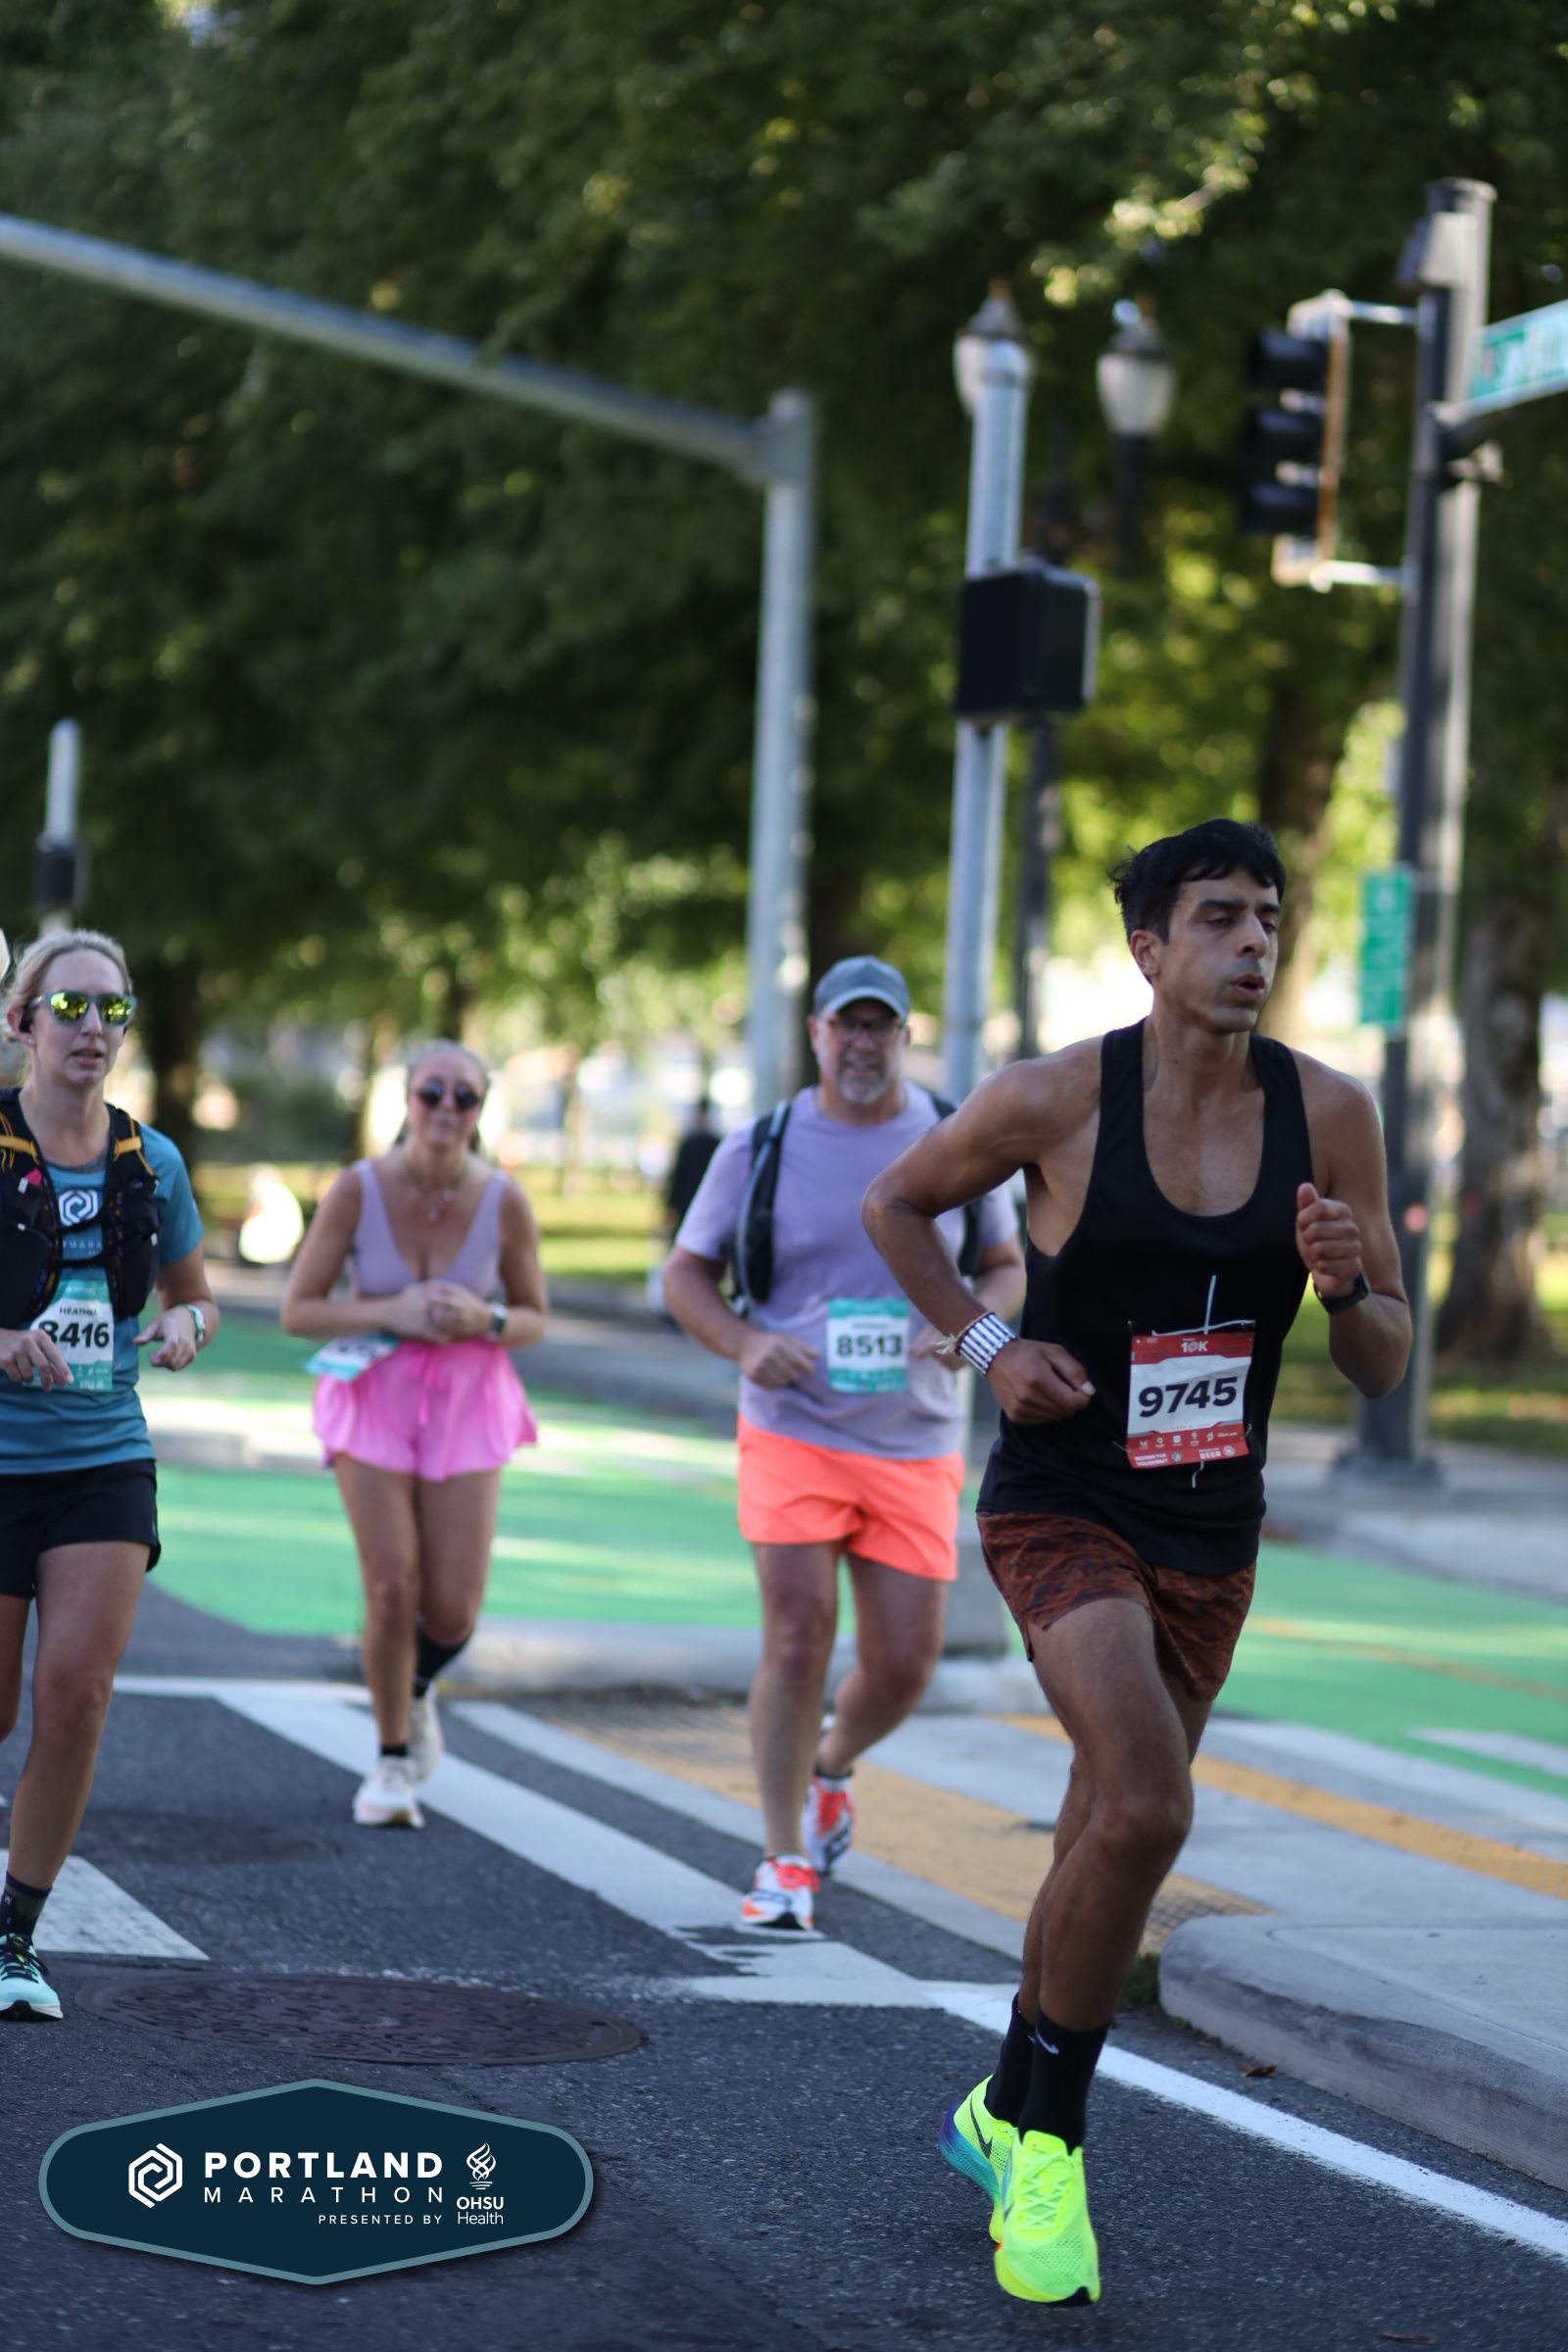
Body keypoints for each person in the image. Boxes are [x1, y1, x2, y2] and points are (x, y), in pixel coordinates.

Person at [863, 820, 1411, 2306]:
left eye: (1269, 919)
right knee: (1152, 1804)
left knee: (1098, 1830)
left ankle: (1000, 2104)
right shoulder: (1052, 1098)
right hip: (1062, 1501)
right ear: (1148, 947)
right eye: (1220, 918)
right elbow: (895, 1204)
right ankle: (1052, 2148)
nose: (1253, 944)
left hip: (1211, 1529)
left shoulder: (1331, 1114)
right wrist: (989, 1344)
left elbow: (1381, 1360)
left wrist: (1346, 1287)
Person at [663, 956, 1025, 1931]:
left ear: (905, 1037)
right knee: (796, 1636)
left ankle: (830, 1764)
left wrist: (969, 1327)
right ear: (816, 1034)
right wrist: (745, 1343)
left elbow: (1004, 1265)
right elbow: (684, 1275)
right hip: (793, 1427)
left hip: (913, 1435)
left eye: (881, 1027)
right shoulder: (762, 1143)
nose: (862, 1044)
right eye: (845, 1026)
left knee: (905, 1665)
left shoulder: (953, 1137)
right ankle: (782, 1857)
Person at [0, 929, 219, 2022]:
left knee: (77, 1692)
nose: (93, 1027)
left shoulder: (153, 1161)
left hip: (102, 1457)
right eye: (70, 1006)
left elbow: (196, 1295)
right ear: (20, 1022)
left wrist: (185, 1327)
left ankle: (15, 1935)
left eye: (113, 1009)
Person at [281, 1043, 547, 1828]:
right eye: (433, 1092)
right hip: (374, 1396)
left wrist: (485, 1317)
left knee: (453, 1609)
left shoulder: (505, 1200)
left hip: (470, 1400)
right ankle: (392, 1759)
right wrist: (388, 1312)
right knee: (392, 1584)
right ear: (407, 1096)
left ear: (481, 1108)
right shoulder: (357, 1189)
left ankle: (419, 1683)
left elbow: (534, 1317)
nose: (446, 1109)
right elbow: (300, 1309)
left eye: (465, 1097)